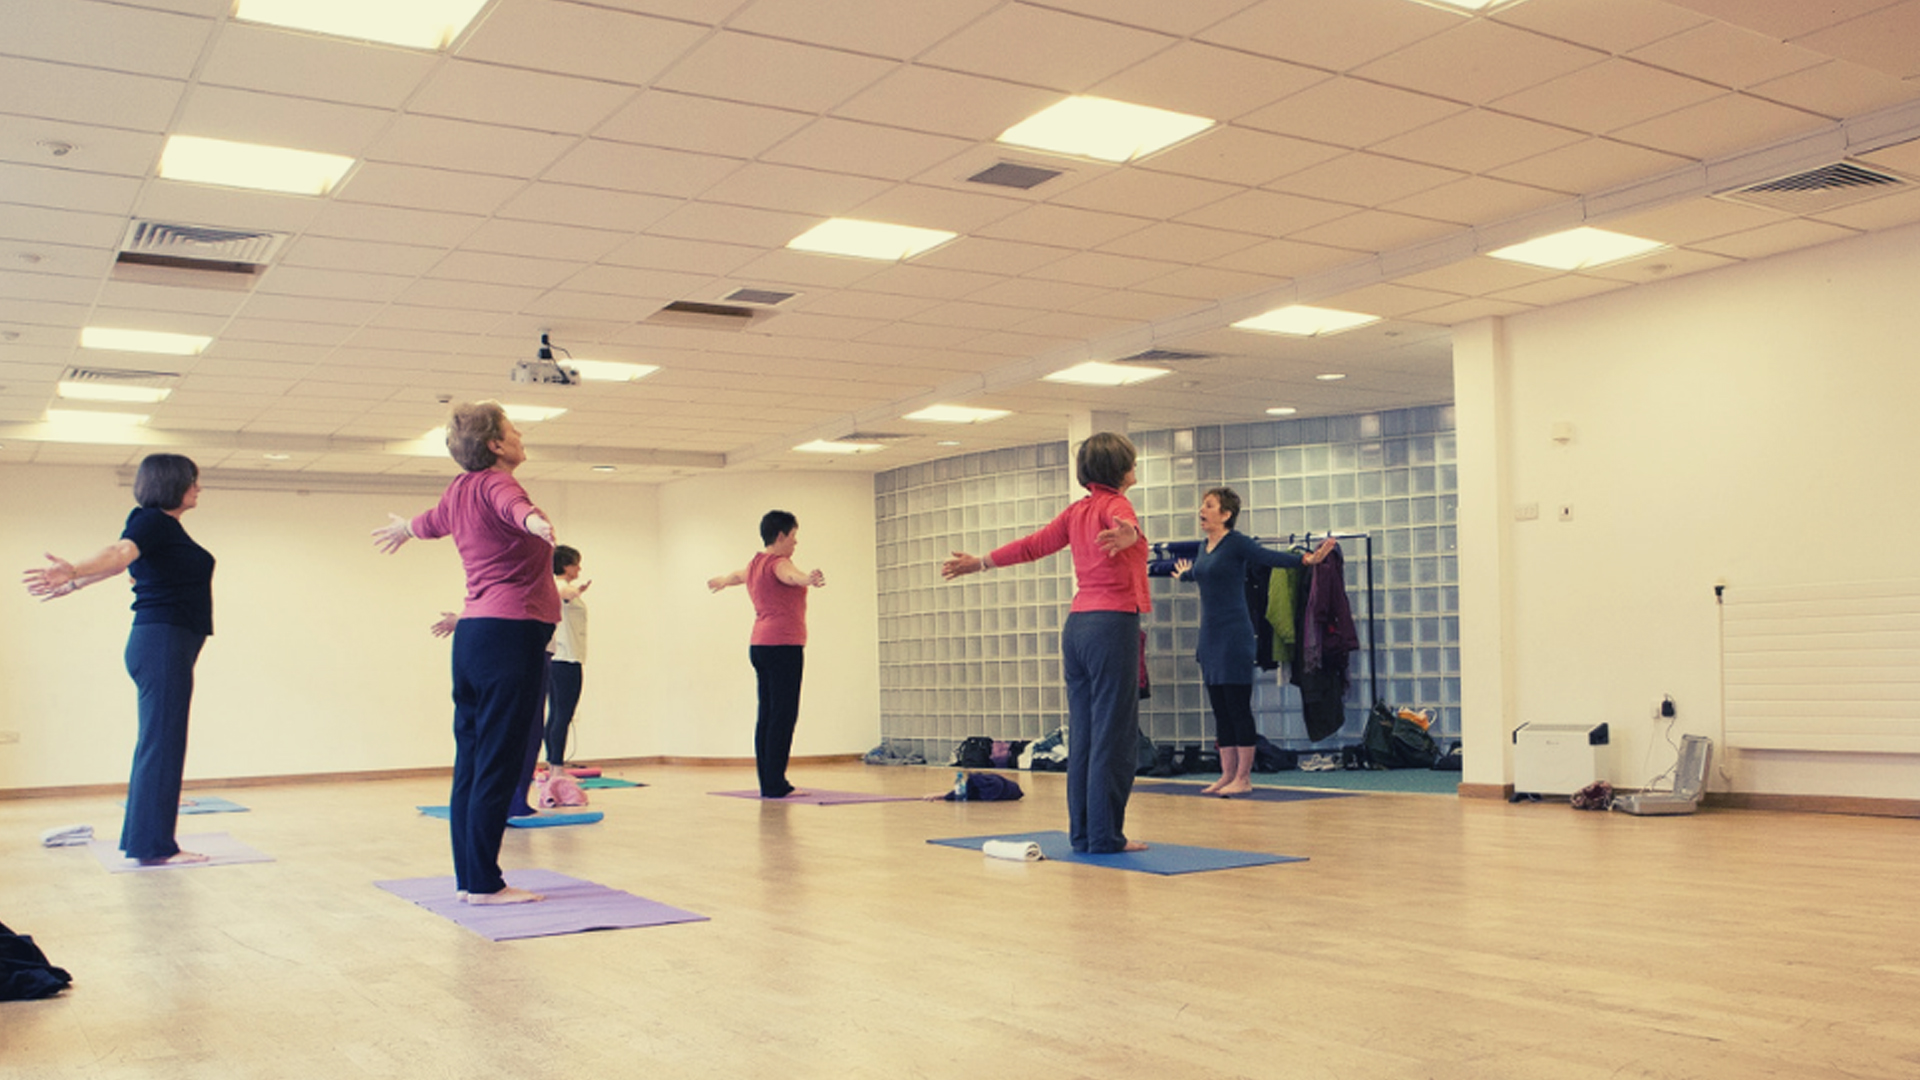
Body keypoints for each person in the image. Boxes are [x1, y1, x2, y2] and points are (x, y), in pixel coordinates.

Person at [373, 403, 558, 906]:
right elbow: (510, 508)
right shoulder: (500, 484)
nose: (521, 436)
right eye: (513, 430)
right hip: (509, 633)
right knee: (499, 759)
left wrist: (404, 529)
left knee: (473, 760)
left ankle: (469, 878)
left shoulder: (457, 490)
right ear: (496, 445)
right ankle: (483, 883)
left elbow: (431, 522)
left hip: (474, 634)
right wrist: (535, 523)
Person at [942, 432, 1150, 854]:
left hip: (1077, 628)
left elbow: (1033, 545)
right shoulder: (1116, 504)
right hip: (1111, 625)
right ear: (1120, 469)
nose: (1136, 467)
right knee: (1113, 735)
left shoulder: (1077, 511)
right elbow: (1125, 529)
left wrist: (980, 562)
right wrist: (1131, 537)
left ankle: (1084, 835)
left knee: (1086, 735)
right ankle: (1106, 837)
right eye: (1132, 461)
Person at [22, 454, 214, 866]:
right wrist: (73, 568)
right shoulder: (151, 522)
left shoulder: (163, 529)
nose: (198, 488)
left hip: (166, 642)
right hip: (162, 641)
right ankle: (154, 846)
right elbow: (119, 551)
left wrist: (77, 582)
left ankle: (147, 841)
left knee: (161, 741)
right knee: (162, 743)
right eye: (193, 481)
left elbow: (124, 564)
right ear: (173, 483)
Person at [1171, 488, 1336, 797]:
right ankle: (1227, 774)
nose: (1201, 510)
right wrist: (1185, 576)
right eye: (1202, 505)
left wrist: (1307, 559)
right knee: (1219, 709)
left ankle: (1244, 778)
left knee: (1237, 707)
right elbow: (1204, 574)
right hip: (1209, 638)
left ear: (1226, 514)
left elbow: (1270, 557)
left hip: (1235, 637)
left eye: (1208, 506)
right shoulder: (1204, 546)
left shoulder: (1237, 543)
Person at [708, 510, 826, 799]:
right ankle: (776, 784)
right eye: (794, 537)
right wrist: (807, 578)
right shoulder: (779, 563)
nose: (796, 543)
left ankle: (769, 781)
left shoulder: (755, 563)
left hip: (760, 645)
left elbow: (738, 575)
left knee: (768, 713)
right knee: (784, 715)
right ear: (781, 535)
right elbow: (790, 576)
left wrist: (723, 580)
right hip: (783, 646)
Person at [545, 545, 590, 770]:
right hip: (566, 660)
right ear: (566, 566)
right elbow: (563, 593)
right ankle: (556, 767)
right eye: (576, 564)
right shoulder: (559, 586)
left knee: (557, 714)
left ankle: (554, 764)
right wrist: (575, 592)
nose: (579, 568)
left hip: (562, 659)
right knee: (562, 714)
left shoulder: (560, 587)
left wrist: (575, 592)